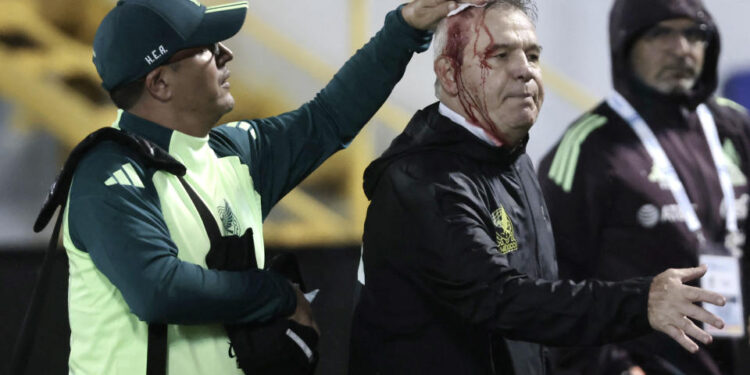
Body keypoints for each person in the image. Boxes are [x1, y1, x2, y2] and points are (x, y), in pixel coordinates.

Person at [54, 0, 477, 373]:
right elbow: (158, 290)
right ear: (160, 83)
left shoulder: (233, 153)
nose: (227, 52)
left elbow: (329, 118)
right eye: (207, 48)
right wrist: (278, 294)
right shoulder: (107, 173)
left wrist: (405, 27)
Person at [349, 1, 729, 374]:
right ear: (449, 74)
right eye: (499, 55)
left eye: (532, 55)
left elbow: (541, 309)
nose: (524, 71)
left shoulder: (507, 157)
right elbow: (504, 300)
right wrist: (642, 302)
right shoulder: (422, 181)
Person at [537, 0, 750, 373]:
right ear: (625, 45)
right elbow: (552, 290)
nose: (681, 48)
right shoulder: (588, 149)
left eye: (693, 33)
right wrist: (610, 368)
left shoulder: (736, 128)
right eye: (660, 33)